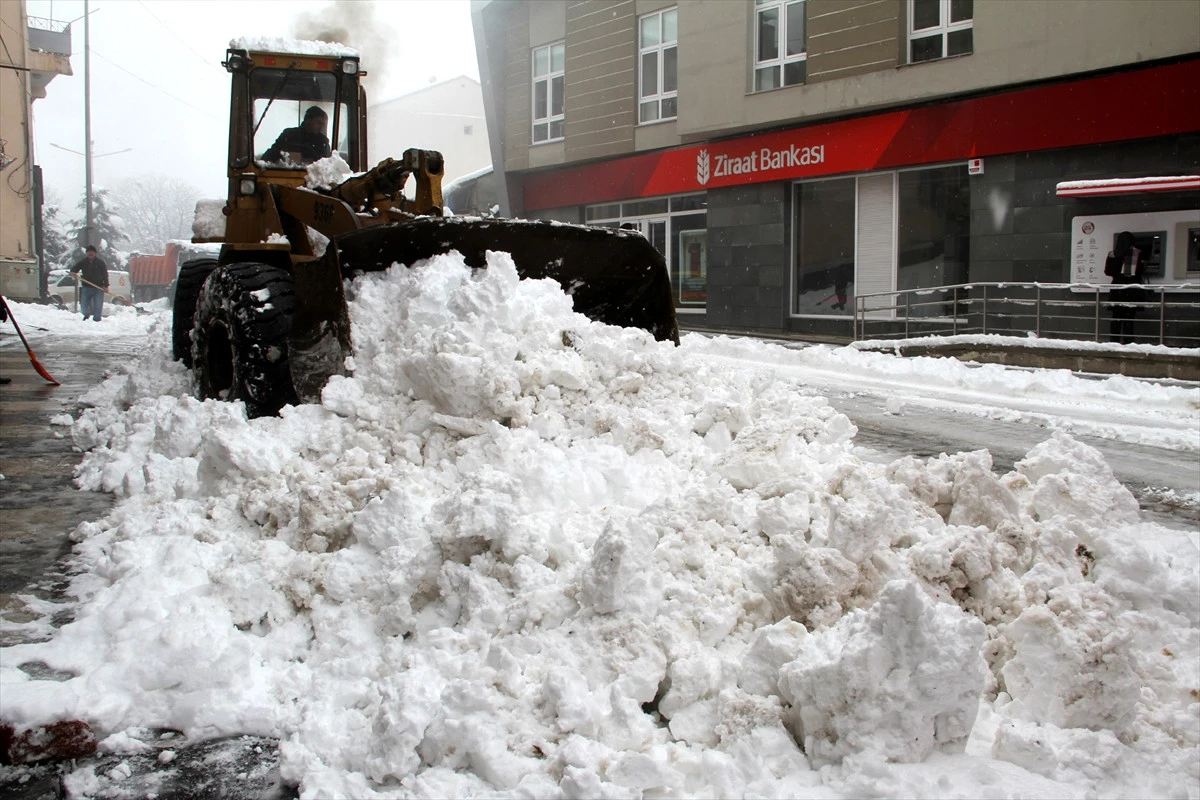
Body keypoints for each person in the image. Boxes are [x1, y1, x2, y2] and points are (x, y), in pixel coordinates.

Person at [1104, 231, 1147, 344]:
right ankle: (1128, 342)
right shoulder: (1138, 253)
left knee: (1116, 318)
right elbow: (1140, 271)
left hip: (1117, 290)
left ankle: (1114, 341)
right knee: (1129, 318)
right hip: (1132, 290)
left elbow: (1108, 272)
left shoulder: (1112, 254)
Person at [261, 106, 332, 165]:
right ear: (308, 120)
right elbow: (271, 155)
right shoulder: (289, 135)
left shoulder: (323, 142)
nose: (321, 127)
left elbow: (327, 166)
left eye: (323, 124)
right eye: (318, 123)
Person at [70, 245, 109, 322]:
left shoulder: (100, 263)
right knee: (83, 304)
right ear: (86, 253)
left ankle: (97, 320)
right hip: (86, 287)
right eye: (88, 252)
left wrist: (106, 286)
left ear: (95, 253)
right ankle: (86, 315)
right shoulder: (83, 262)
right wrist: (73, 272)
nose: (90, 254)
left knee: (98, 305)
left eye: (92, 252)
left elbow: (105, 275)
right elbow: (74, 269)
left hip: (98, 288)